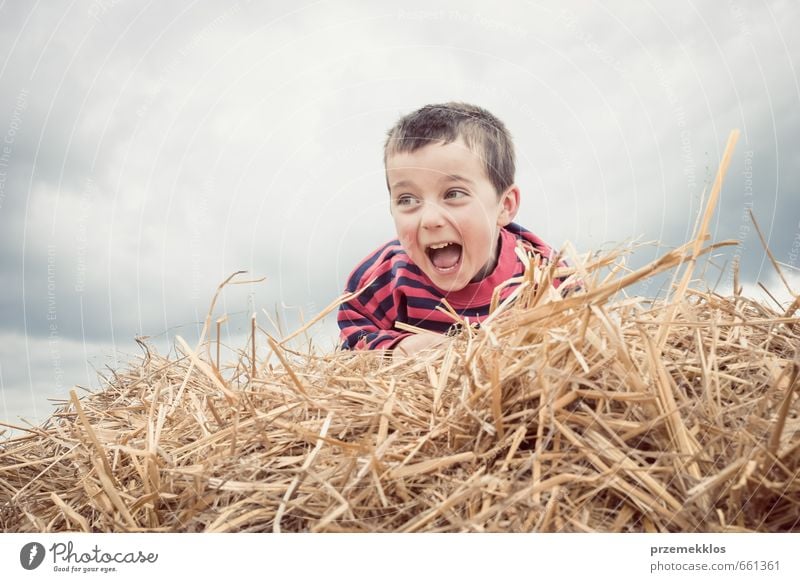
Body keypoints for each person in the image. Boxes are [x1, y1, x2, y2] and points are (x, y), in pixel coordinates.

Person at [338, 102, 565, 357]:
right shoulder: (382, 279)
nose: (430, 219)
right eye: (407, 199)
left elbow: (586, 335)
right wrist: (396, 350)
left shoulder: (544, 275)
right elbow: (349, 341)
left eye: (453, 194)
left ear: (505, 206)